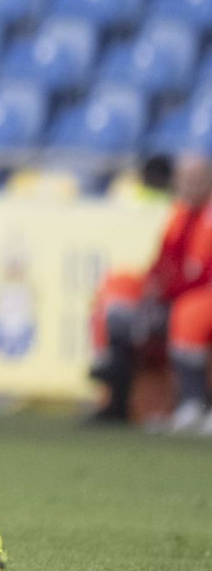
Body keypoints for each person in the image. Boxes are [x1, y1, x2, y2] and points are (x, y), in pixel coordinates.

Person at [90, 149, 212, 428]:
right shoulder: (181, 213)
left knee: (190, 312)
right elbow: (164, 261)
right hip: (177, 296)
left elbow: (199, 272)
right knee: (118, 286)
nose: (188, 186)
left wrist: (165, 290)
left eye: (196, 179)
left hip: (199, 298)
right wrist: (152, 286)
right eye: (183, 179)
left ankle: (194, 403)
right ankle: (115, 390)